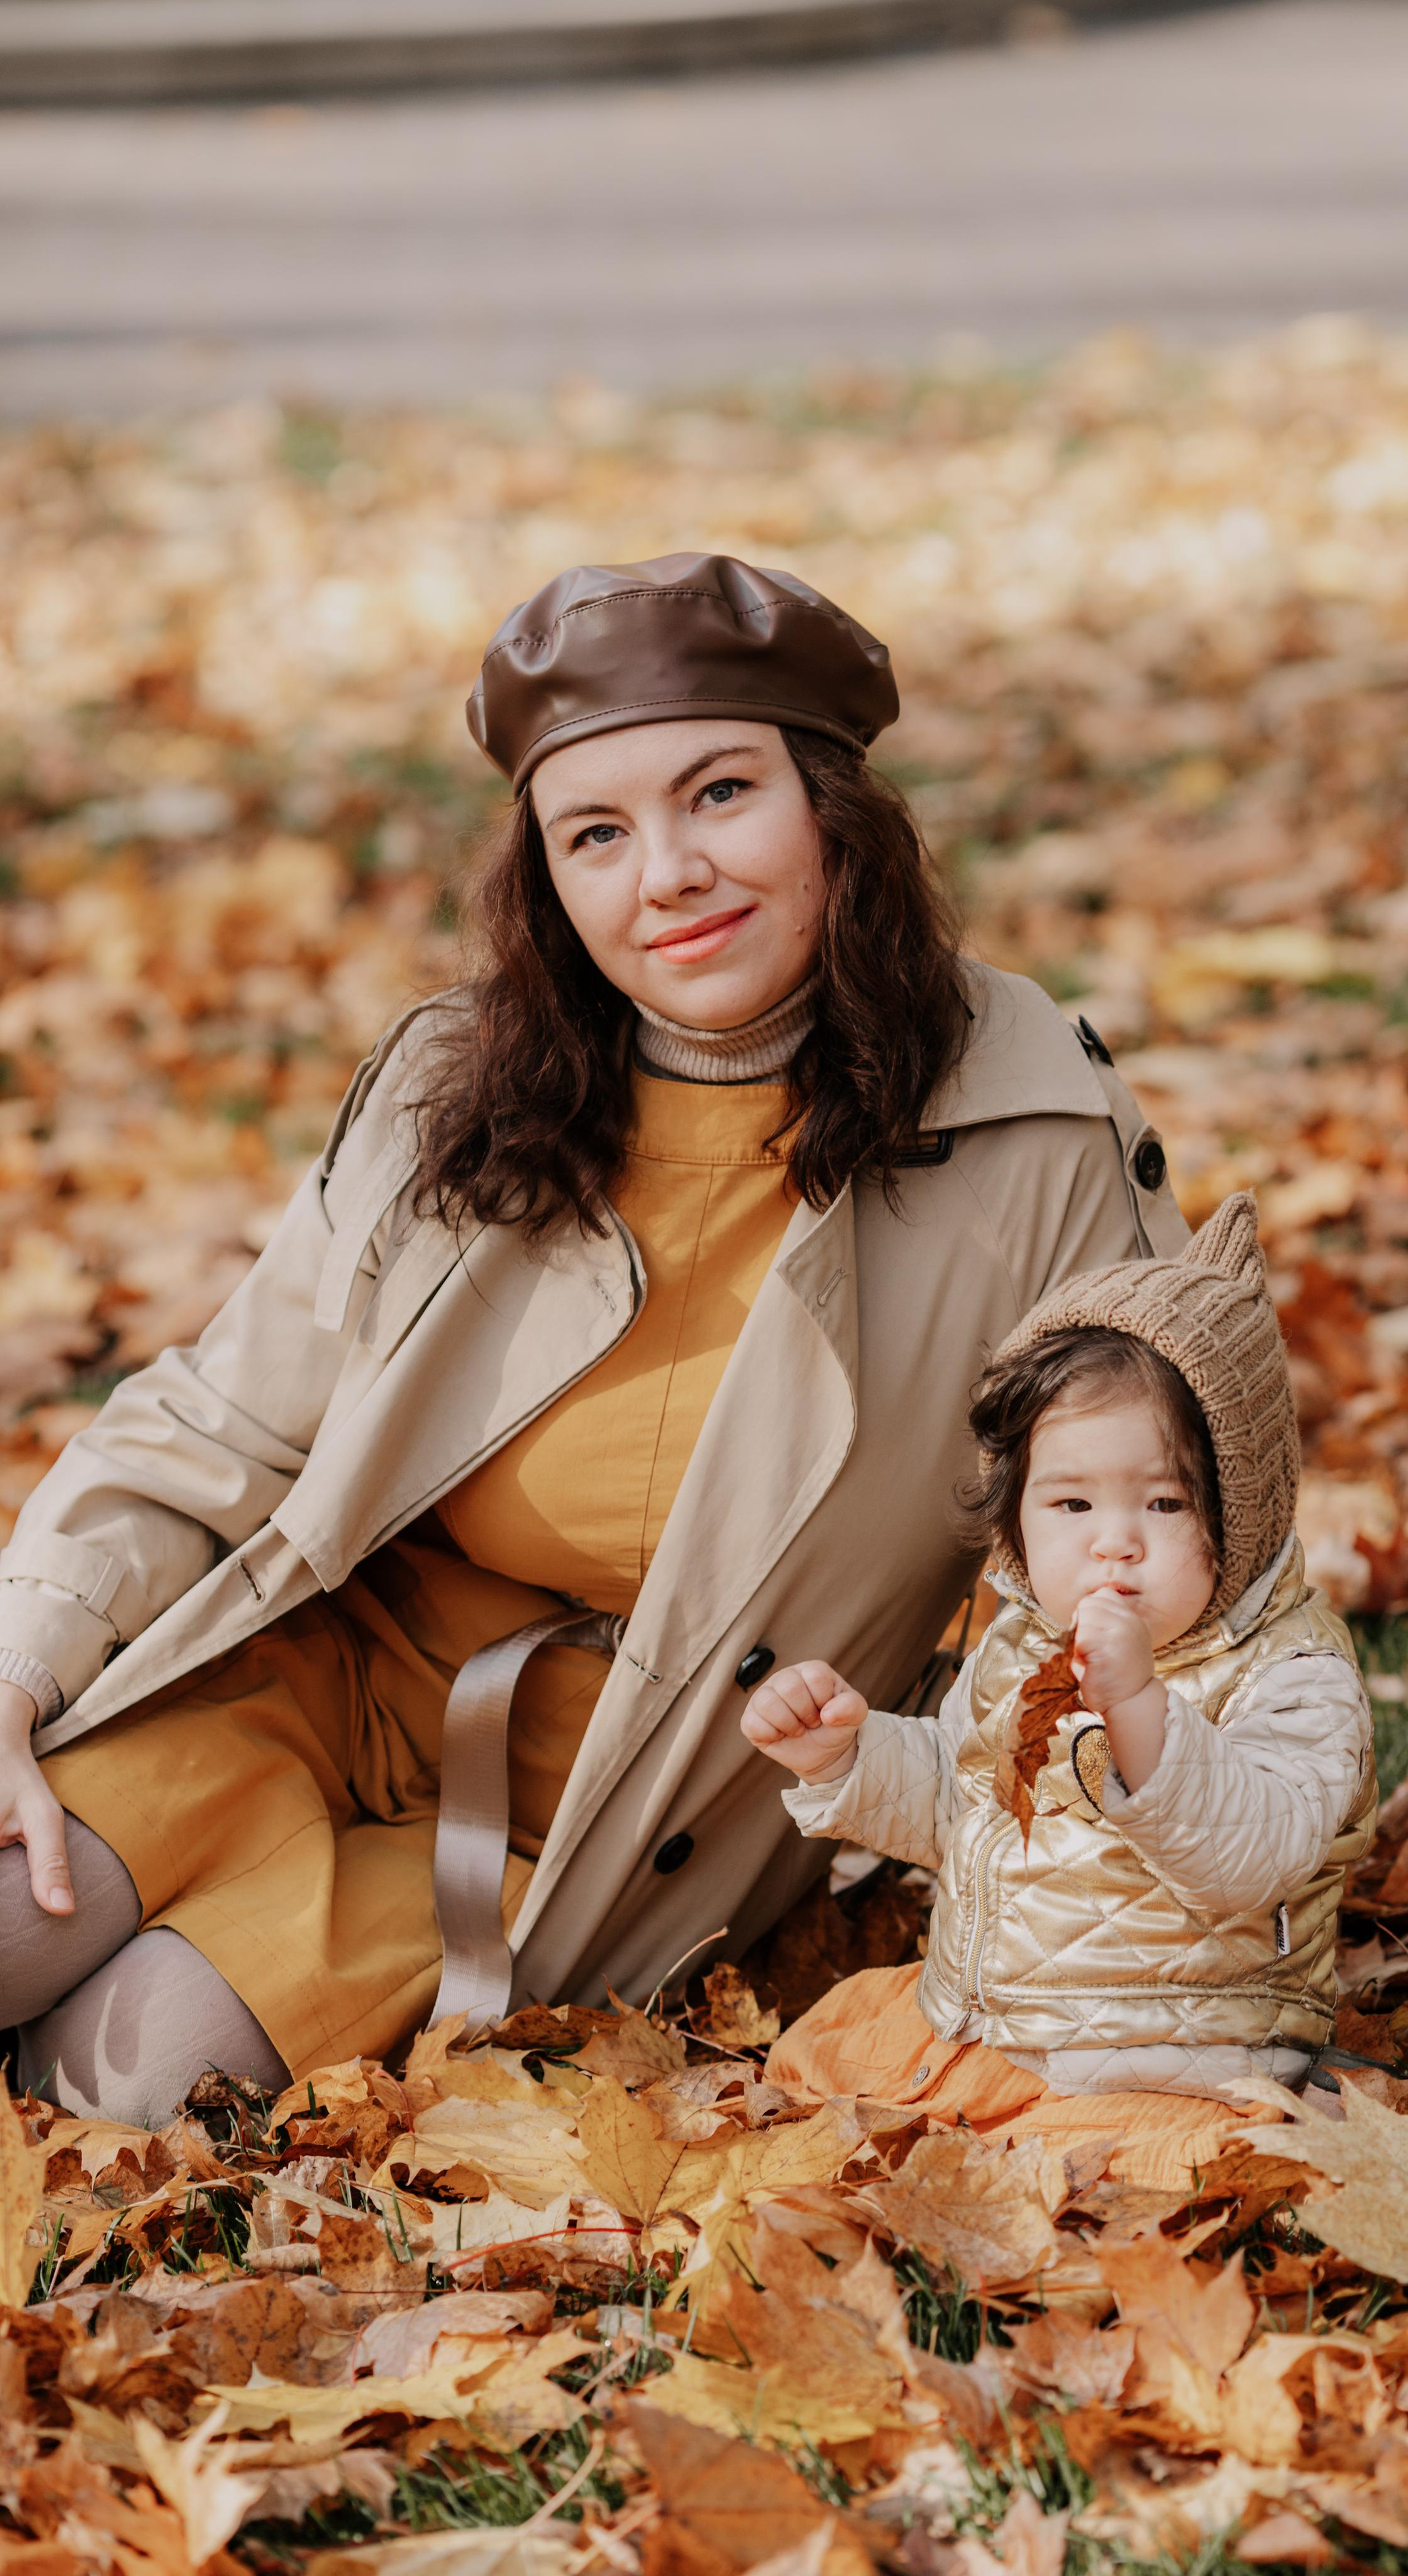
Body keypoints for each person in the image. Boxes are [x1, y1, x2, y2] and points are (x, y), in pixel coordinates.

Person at [0, 553, 1187, 2125]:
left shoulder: (1027, 1126)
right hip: (305, 1690)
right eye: (599, 834)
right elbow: (226, 1420)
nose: (668, 875)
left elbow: (1160, 1524)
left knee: (129, 2081)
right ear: (547, 878)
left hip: (610, 1818)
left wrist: (1120, 1819)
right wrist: (22, 1656)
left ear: (832, 809)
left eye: (718, 794)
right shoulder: (460, 1081)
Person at [744, 1193, 1376, 2187]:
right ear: (1017, 1515)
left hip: (1184, 2051)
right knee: (829, 2054)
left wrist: (1137, 1709)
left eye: (1165, 1502)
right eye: (1071, 1502)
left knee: (1150, 2165)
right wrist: (849, 1756)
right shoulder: (1020, 1645)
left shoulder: (1290, 1671)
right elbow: (965, 1803)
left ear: (1244, 1512)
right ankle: (986, 2122)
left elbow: (1258, 1854)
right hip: (1001, 2023)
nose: (1111, 1541)